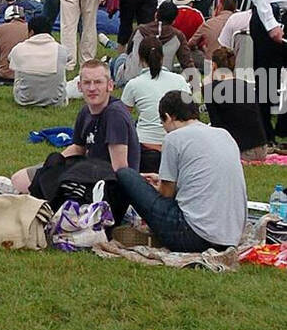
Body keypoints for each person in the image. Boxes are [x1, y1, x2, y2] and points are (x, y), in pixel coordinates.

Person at [115, 92, 247, 251]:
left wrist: (152, 187)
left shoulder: (175, 138)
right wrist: (163, 179)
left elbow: (166, 194)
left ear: (167, 117)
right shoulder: (224, 135)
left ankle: (110, 225)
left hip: (192, 235)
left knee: (126, 175)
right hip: (230, 236)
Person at [11, 60, 140, 192]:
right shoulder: (85, 111)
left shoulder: (114, 115)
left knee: (30, 186)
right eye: (87, 83)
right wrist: (50, 165)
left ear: (110, 85)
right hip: (85, 169)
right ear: (79, 86)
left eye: (98, 82)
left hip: (103, 184)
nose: (92, 88)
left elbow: (120, 169)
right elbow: (78, 147)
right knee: (19, 179)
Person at [246, 0, 287, 145]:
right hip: (269, 15)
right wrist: (271, 24)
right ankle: (265, 134)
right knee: (267, 79)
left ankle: (283, 129)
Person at [119, 37, 190, 173]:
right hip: (177, 148)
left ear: (139, 58)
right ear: (162, 57)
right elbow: (189, 114)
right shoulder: (179, 80)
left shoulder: (134, 84)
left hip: (146, 149)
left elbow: (122, 118)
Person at [204, 48, 269, 161]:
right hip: (262, 147)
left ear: (214, 65)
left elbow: (216, 124)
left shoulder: (211, 89)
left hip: (242, 151)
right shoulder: (245, 85)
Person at [8, 13, 70, 107]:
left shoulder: (19, 48)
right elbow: (69, 58)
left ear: (31, 32)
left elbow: (9, 59)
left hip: (24, 99)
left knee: (18, 67)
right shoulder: (61, 50)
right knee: (61, 66)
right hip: (56, 101)